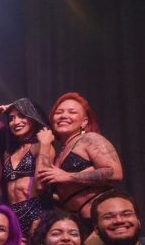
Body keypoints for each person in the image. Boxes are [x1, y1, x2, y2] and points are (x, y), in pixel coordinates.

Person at [39, 92, 123, 229]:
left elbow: (115, 173)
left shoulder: (90, 139)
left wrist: (68, 176)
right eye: (59, 112)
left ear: (84, 122)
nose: (63, 115)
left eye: (72, 112)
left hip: (104, 222)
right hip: (81, 223)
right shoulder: (59, 153)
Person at [0, 98, 55, 238]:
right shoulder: (9, 152)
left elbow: (41, 185)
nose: (16, 122)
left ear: (32, 117)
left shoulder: (41, 147)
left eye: (22, 116)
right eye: (11, 118)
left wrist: (45, 145)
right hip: (12, 217)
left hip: (36, 215)